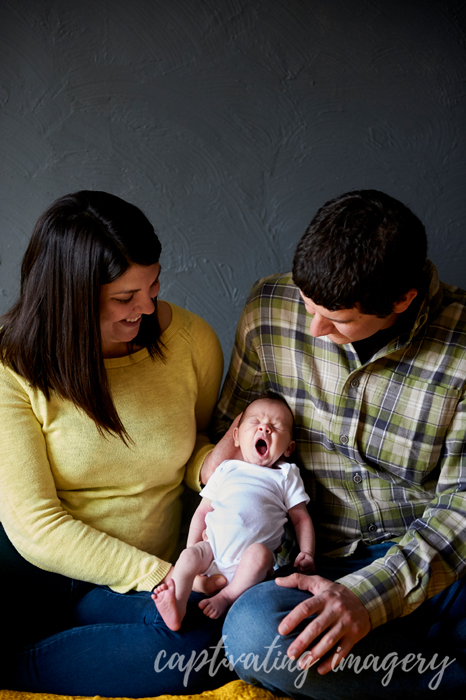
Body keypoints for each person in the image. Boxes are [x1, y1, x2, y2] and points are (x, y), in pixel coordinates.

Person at [214, 190, 466, 698]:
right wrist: (217, 482)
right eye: (309, 306)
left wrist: (370, 599)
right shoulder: (269, 309)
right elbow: (228, 430)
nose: (315, 328)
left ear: (402, 300)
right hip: (318, 563)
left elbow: (461, 503)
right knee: (250, 631)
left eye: (340, 320)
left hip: (440, 566)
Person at [0, 191, 234, 696]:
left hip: (137, 584)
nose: (147, 308)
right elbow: (34, 525)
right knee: (191, 651)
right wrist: (164, 577)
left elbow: (187, 444)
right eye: (125, 299)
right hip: (42, 577)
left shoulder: (192, 341)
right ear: (71, 299)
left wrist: (208, 466)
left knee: (221, 639)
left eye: (153, 286)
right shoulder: (11, 367)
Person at [152, 396, 315, 631]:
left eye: (276, 426)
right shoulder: (226, 468)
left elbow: (301, 518)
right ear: (237, 437)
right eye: (256, 421)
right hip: (213, 551)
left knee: (261, 554)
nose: (265, 427)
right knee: (186, 559)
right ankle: (177, 604)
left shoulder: (285, 475)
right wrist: (192, 548)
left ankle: (227, 597)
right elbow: (202, 512)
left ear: (289, 447)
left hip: (250, 565)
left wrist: (307, 552)